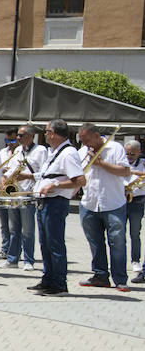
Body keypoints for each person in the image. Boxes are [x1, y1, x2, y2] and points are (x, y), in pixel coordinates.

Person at [29, 119, 86, 297]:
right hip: (45, 202)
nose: (44, 135)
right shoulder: (55, 152)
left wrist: (54, 186)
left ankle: (59, 284)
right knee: (45, 243)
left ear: (53, 133)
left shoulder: (68, 153)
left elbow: (79, 180)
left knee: (54, 244)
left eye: (46, 132)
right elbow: (51, 174)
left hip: (55, 203)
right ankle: (48, 279)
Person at [75, 123, 130, 291]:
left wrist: (101, 163)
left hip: (113, 203)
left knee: (117, 242)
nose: (85, 144)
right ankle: (100, 276)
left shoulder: (115, 148)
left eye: (87, 140)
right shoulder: (82, 152)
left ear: (97, 136)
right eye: (82, 141)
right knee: (95, 243)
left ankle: (120, 279)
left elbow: (125, 171)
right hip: (90, 203)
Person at [1, 125, 44, 272]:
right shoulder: (18, 150)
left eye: (21, 135)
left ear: (31, 136)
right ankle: (12, 259)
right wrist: (5, 179)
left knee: (27, 230)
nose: (17, 138)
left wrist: (28, 176)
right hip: (15, 193)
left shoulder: (40, 151)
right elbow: (12, 169)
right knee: (13, 229)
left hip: (29, 194)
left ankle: (28, 260)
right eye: (17, 136)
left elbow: (45, 173)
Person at [0, 129, 17, 260]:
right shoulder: (2, 152)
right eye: (7, 140)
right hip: (1, 190)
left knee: (15, 224)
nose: (9, 143)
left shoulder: (21, 153)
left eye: (12, 140)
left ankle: (15, 250)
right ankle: (4, 249)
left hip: (14, 190)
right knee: (4, 223)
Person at [126, 140, 145, 283]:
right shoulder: (121, 162)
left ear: (139, 152)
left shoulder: (143, 164)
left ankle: (135, 260)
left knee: (135, 232)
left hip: (137, 201)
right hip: (120, 200)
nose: (129, 156)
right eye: (127, 153)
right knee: (117, 234)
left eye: (132, 153)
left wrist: (132, 172)